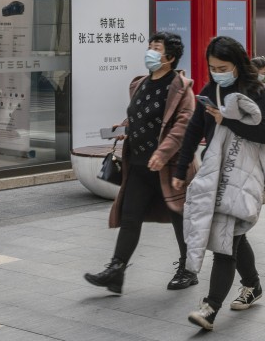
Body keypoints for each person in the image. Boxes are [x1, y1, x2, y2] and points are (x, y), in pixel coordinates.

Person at [172, 37, 265, 331]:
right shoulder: (210, 90)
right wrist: (181, 167)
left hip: (247, 174)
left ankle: (210, 307)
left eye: (223, 67)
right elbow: (193, 131)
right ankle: (252, 285)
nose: (217, 72)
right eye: (213, 67)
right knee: (234, 233)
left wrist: (227, 121)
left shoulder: (256, 91)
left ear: (238, 64)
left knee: (225, 243)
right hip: (216, 176)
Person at [84, 32, 199, 294]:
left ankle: (188, 268)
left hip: (169, 168)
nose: (149, 52)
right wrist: (126, 127)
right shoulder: (140, 84)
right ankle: (116, 271)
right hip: (138, 164)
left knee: (179, 217)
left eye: (156, 49)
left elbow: (183, 126)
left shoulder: (181, 88)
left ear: (169, 57)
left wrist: (163, 152)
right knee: (130, 215)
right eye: (149, 47)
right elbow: (141, 115)